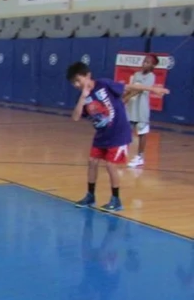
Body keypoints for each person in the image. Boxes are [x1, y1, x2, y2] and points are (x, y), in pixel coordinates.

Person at [67, 61, 168, 212]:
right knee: (92, 162)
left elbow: (130, 87)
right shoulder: (82, 98)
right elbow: (75, 117)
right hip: (102, 134)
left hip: (119, 132)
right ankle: (90, 195)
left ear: (88, 76)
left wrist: (152, 88)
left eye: (78, 80)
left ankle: (116, 199)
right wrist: (83, 97)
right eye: (73, 83)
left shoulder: (104, 84)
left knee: (110, 165)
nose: (76, 84)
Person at [126, 54, 161, 168]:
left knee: (142, 133)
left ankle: (139, 157)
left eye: (148, 62)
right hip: (132, 107)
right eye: (144, 61)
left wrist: (131, 91)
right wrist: (126, 98)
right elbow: (132, 88)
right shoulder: (136, 74)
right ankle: (122, 153)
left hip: (142, 109)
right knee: (127, 132)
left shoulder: (151, 76)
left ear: (153, 65)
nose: (145, 63)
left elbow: (140, 89)